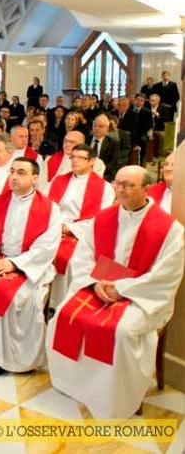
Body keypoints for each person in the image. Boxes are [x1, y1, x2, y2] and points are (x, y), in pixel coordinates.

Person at [46, 166, 184, 418]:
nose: (120, 189)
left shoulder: (170, 229)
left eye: (129, 185)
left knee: (121, 331)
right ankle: (76, 384)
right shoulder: (103, 217)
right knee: (64, 315)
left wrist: (122, 289)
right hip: (98, 285)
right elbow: (83, 257)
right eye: (117, 183)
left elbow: (166, 275)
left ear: (146, 188)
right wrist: (95, 283)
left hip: (141, 297)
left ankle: (115, 396)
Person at [0, 158, 61, 376]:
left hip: (28, 266)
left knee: (6, 294)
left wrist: (14, 263)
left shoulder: (50, 209)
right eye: (12, 171)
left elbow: (47, 247)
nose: (14, 177)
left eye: (21, 173)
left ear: (35, 178)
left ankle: (2, 357)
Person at [46, 144, 114, 306]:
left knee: (69, 260)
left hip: (79, 233)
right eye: (73, 157)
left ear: (91, 162)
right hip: (53, 228)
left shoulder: (104, 187)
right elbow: (46, 206)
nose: (75, 161)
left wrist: (69, 229)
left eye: (80, 158)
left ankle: (60, 304)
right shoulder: (58, 180)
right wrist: (54, 226)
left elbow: (100, 220)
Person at [87, 114, 120, 182]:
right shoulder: (86, 140)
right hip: (85, 171)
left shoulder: (113, 143)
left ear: (107, 129)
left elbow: (113, 163)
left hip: (104, 173)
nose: (97, 128)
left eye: (100, 126)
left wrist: (98, 170)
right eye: (95, 126)